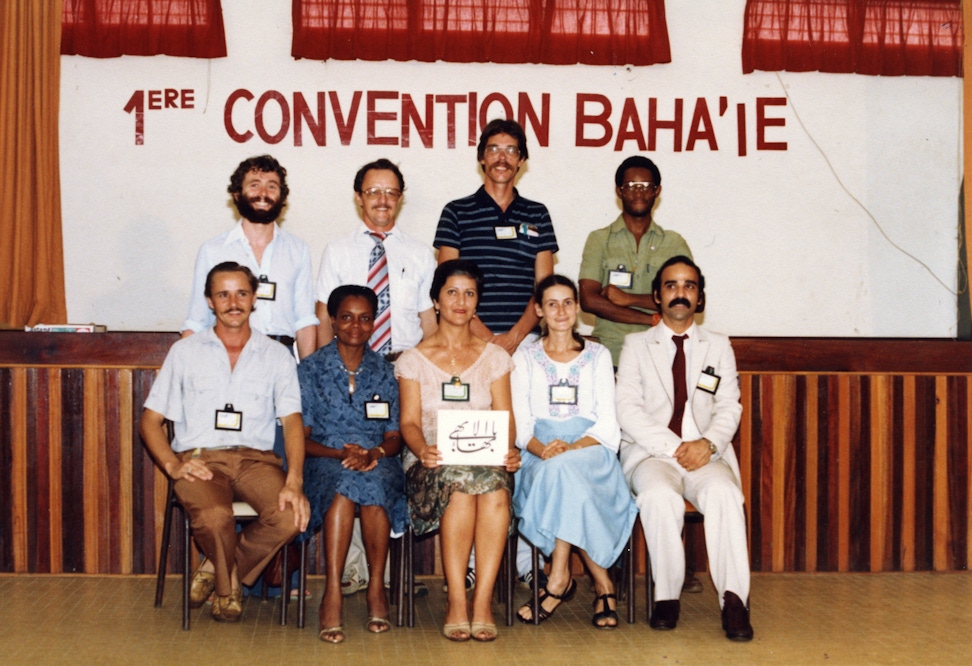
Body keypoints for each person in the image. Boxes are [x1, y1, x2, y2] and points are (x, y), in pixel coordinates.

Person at [140, 262, 310, 623]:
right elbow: (150, 422)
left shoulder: (278, 356)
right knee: (216, 516)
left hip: (257, 462)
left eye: (242, 293)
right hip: (201, 460)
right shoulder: (184, 352)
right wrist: (173, 465)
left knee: (290, 516)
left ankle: (218, 571)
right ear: (209, 301)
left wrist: (294, 481)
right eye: (223, 294)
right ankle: (227, 587)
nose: (233, 302)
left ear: (254, 299)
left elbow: (293, 422)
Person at [434, 117, 558, 588]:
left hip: (526, 345)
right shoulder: (457, 212)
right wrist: (486, 338)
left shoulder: (538, 214)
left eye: (512, 149)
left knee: (521, 442)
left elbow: (544, 287)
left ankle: (527, 561)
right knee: (477, 444)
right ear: (482, 157)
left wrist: (514, 338)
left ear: (522, 161)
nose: (503, 157)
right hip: (469, 345)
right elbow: (450, 285)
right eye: (494, 148)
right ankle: (466, 565)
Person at [615, 255, 754, 641]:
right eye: (672, 286)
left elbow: (730, 405)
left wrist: (707, 444)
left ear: (700, 298)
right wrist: (678, 447)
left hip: (707, 453)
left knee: (726, 494)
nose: (680, 293)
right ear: (657, 296)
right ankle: (666, 596)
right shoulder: (636, 345)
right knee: (659, 496)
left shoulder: (719, 345)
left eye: (689, 286)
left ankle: (735, 599)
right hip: (652, 453)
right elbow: (627, 408)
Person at [314, 159, 436, 596]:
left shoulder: (421, 254)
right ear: (358, 197)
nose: (382, 200)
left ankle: (387, 577)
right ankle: (353, 572)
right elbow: (325, 320)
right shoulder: (338, 251)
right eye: (373, 192)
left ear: (400, 198)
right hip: (346, 369)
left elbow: (429, 323)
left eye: (390, 192)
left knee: (390, 460)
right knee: (348, 454)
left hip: (400, 368)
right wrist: (322, 376)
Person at [395, 260, 521, 642]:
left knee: (496, 487)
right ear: (435, 300)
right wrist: (423, 449)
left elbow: (506, 417)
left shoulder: (495, 357)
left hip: (484, 458)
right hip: (431, 460)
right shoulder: (413, 359)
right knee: (463, 489)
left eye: (469, 293)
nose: (460, 301)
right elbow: (409, 424)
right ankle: (456, 601)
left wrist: (509, 449)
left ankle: (481, 601)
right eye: (452, 292)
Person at [511, 275, 638, 628]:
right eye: (551, 303)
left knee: (566, 471)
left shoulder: (598, 355)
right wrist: (544, 450)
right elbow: (521, 428)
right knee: (563, 475)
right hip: (540, 455)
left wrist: (570, 448)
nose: (561, 310)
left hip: (590, 450)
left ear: (578, 307)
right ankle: (603, 586)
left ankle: (558, 578)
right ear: (538, 310)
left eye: (568, 302)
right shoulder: (525, 358)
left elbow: (608, 425)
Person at [298, 285, 407, 644]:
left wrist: (372, 454)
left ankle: (377, 586)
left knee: (373, 485)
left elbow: (394, 438)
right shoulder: (311, 370)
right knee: (343, 488)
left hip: (376, 460)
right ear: (332, 319)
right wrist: (340, 455)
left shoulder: (386, 371)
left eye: (364, 318)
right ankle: (332, 592)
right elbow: (301, 438)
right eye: (346, 317)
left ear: (374, 322)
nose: (355, 326)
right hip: (323, 460)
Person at [183, 154, 319, 360]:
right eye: (254, 185)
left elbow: (304, 321)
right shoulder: (212, 251)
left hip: (281, 359)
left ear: (282, 196)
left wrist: (309, 379)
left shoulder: (297, 250)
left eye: (272, 186)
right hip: (227, 358)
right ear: (237, 194)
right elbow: (197, 321)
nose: (263, 193)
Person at [578, 155, 692, 368]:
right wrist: (652, 319)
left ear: (657, 190)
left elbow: (686, 299)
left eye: (646, 186)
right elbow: (589, 300)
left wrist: (628, 298)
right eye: (630, 185)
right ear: (619, 190)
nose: (638, 192)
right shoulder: (599, 239)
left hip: (662, 358)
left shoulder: (674, 243)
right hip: (610, 357)